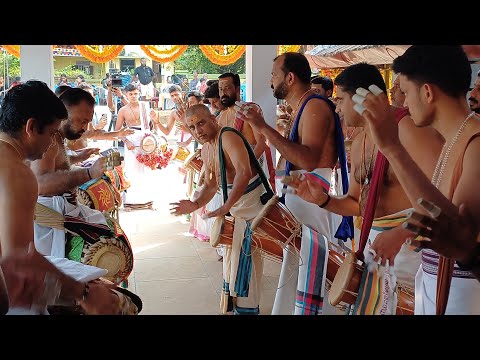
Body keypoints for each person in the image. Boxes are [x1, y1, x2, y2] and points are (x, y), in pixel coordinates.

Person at [284, 63, 443, 313]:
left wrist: (401, 234)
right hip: (376, 249)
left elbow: (441, 201)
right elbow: (357, 204)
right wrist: (323, 200)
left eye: (341, 99)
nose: (337, 108)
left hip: (410, 255)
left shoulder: (409, 129)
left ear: (363, 98)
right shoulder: (359, 143)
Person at [358, 45, 480, 314]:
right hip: (438, 284)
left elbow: (456, 233)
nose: (403, 103)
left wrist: (393, 148)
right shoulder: (455, 140)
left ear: (427, 92)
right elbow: (429, 210)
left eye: (404, 91)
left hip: (464, 293)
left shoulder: (475, 142)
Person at [0, 80, 128, 315]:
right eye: (50, 133)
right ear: (30, 127)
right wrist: (84, 293)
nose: (52, 142)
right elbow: (19, 265)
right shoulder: (16, 173)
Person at [238, 52, 348, 314]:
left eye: (274, 75)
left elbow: (308, 160)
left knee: (314, 269)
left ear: (290, 77)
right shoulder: (303, 106)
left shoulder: (315, 106)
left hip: (312, 200)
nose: (271, 82)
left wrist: (263, 127)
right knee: (299, 269)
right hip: (301, 198)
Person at [170, 104, 268, 315]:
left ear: (214, 120)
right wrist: (195, 204)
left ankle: (248, 310)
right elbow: (211, 185)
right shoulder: (207, 149)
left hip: (252, 207)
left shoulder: (228, 137)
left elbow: (243, 172)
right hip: (237, 210)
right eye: (192, 127)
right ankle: (241, 308)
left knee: (246, 263)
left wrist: (226, 206)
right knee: (234, 263)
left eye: (201, 123)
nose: (198, 130)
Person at [115, 83, 155, 210]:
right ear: (126, 94)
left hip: (146, 140)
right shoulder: (123, 110)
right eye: (131, 94)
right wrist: (126, 142)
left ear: (139, 93)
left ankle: (147, 201)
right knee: (132, 171)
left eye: (135, 93)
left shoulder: (145, 107)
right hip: (131, 140)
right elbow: (118, 130)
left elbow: (154, 125)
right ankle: (131, 203)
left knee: (146, 170)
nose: (133, 96)